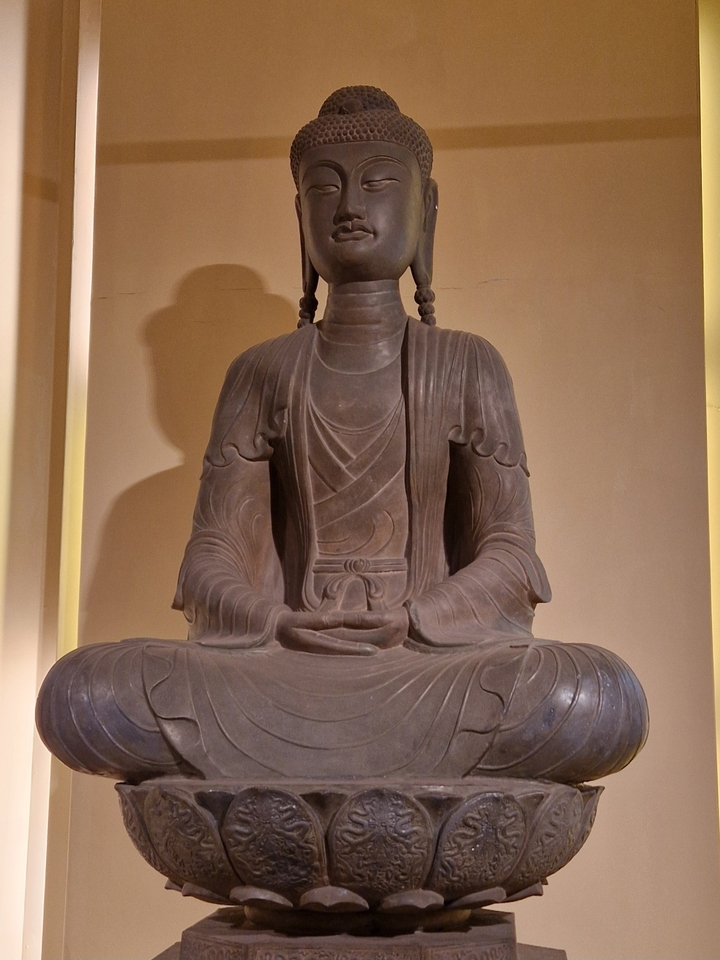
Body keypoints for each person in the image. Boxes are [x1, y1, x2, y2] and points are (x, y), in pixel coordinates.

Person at [37, 86, 648, 785]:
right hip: (285, 662)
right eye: (325, 188)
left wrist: (417, 617)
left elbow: (509, 554)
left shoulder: (467, 363)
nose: (351, 206)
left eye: (379, 183)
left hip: (429, 663)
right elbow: (211, 560)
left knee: (587, 695)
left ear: (427, 211)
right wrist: (276, 623)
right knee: (84, 692)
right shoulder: (262, 371)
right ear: (300, 218)